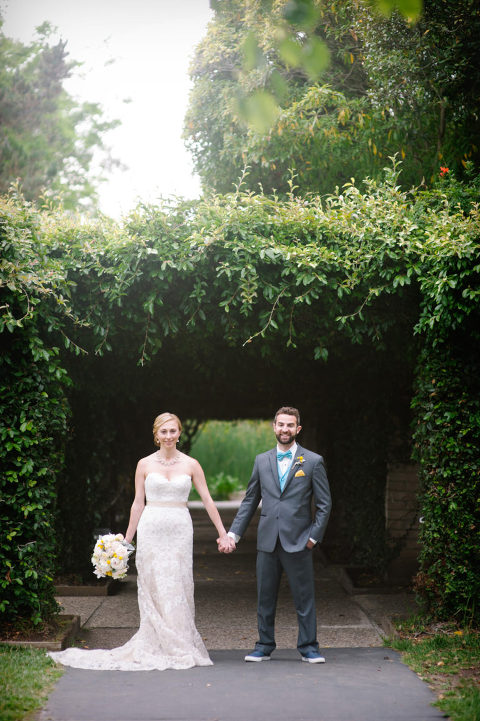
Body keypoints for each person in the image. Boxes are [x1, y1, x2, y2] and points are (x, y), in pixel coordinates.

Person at [49, 412, 231, 671]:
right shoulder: (144, 464)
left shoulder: (192, 464)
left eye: (173, 431)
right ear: (156, 435)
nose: (168, 436)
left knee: (178, 584)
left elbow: (208, 500)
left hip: (179, 530)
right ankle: (155, 641)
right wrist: (126, 540)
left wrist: (223, 533)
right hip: (151, 529)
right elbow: (138, 503)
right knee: (153, 584)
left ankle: (180, 643)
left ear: (179, 433)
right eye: (163, 431)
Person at [218, 406, 332, 664]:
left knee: (304, 598)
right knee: (265, 597)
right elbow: (250, 501)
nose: (285, 429)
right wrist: (233, 534)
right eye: (281, 424)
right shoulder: (261, 460)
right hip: (267, 541)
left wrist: (313, 537)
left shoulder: (313, 461)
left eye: (290, 425)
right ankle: (264, 645)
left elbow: (325, 504)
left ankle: (309, 647)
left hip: (299, 541)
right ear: (274, 427)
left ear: (297, 429)